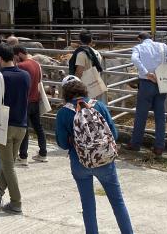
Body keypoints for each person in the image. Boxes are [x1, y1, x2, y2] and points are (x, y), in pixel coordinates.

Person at [57, 76, 134, 234]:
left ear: (65, 92)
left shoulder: (63, 113)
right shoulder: (99, 105)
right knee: (118, 202)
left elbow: (62, 143)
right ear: (83, 88)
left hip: (80, 163)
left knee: (88, 205)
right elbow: (114, 133)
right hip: (104, 160)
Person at [0, 43, 32, 215]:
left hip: (3, 125)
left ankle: (16, 202)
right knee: (8, 164)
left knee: (9, 166)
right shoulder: (25, 75)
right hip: (21, 125)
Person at [126, 32, 167, 156]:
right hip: (161, 82)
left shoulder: (138, 47)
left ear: (139, 39)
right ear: (151, 38)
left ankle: (135, 144)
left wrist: (146, 73)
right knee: (160, 116)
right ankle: (159, 147)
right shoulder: (162, 46)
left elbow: (134, 59)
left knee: (141, 114)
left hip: (146, 83)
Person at [14, 46, 47, 164]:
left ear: (19, 54)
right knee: (39, 127)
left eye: (15, 57)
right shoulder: (37, 64)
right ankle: (43, 153)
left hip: (25, 101)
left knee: (25, 129)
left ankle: (23, 156)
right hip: (35, 100)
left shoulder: (21, 66)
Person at [70, 30, 105, 100]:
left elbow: (79, 71)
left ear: (80, 40)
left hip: (85, 85)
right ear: (91, 40)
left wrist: (74, 84)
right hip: (95, 82)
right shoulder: (96, 53)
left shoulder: (81, 54)